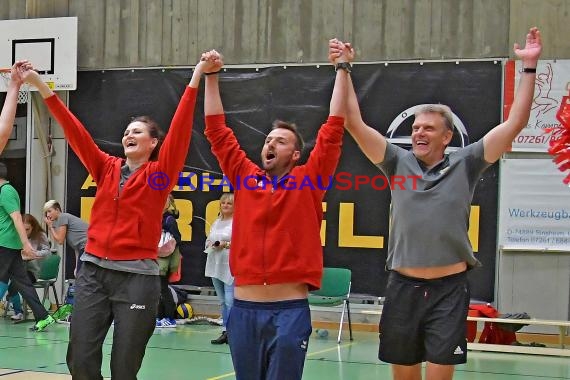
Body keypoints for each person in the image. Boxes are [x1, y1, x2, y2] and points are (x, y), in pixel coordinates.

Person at [329, 27, 542, 380]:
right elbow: (352, 121)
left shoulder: (468, 162)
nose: (418, 133)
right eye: (415, 127)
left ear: (447, 136)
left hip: (449, 289)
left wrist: (529, 68)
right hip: (402, 286)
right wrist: (343, 68)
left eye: (428, 128)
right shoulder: (396, 161)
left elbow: (516, 122)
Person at [22, 53, 212, 379]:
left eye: (137, 131)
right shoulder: (105, 168)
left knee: (124, 368)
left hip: (138, 280)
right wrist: (39, 84)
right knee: (80, 360)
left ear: (153, 143)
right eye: (126, 131)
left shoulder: (159, 175)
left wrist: (197, 76)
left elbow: (180, 132)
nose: (129, 135)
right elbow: (73, 129)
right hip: (94, 274)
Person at [203, 43, 349, 380]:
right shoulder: (245, 177)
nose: (270, 143)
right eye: (268, 139)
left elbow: (333, 129)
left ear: (296, 154)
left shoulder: (309, 181)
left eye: (280, 141)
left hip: (288, 311)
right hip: (243, 311)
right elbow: (217, 131)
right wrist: (211, 78)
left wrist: (342, 69)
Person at [0, 163, 56, 331]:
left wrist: (25, 244)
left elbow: (17, 219)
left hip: (5, 244)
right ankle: (43, 316)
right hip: (8, 244)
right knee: (23, 283)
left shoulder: (6, 192)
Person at [6, 213, 52, 321]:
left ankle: (23, 311)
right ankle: (19, 311)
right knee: (10, 286)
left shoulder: (40, 235)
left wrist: (33, 254)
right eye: (23, 229)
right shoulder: (17, 234)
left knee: (15, 286)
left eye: (28, 229)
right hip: (18, 267)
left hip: (32, 270)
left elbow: (47, 252)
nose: (25, 232)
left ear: (33, 227)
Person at [204, 192, 234, 344]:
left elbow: (242, 243)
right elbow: (209, 238)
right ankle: (225, 331)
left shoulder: (237, 222)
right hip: (215, 263)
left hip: (229, 266)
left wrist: (226, 244)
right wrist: (210, 244)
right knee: (222, 301)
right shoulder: (216, 222)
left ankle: (234, 332)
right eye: (223, 203)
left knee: (230, 301)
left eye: (229, 203)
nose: (225, 205)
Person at [155, 193, 182, 328]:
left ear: (169, 203)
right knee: (157, 289)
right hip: (156, 256)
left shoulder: (169, 219)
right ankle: (159, 316)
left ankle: (170, 318)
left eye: (164, 200)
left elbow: (177, 238)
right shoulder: (155, 217)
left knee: (163, 288)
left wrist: (164, 245)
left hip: (165, 259)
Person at [43, 200, 88, 277]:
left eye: (49, 211)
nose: (47, 215)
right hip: (85, 247)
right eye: (46, 213)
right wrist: (77, 266)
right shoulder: (60, 220)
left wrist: (50, 226)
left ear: (57, 210)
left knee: (81, 276)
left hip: (88, 246)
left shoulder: (62, 216)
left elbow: (60, 240)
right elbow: (77, 247)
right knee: (79, 274)